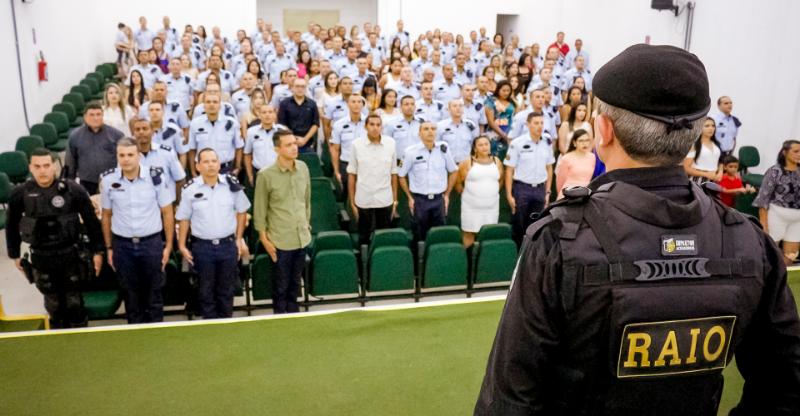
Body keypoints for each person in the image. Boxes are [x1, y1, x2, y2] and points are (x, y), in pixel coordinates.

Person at [476, 44, 800, 415]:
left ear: (604, 129)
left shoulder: (559, 239)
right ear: (694, 132)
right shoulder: (747, 241)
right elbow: (787, 386)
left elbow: (509, 398)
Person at [5, 148, 104, 328]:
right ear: (30, 168)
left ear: (54, 167)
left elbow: (91, 222)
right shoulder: (21, 193)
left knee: (74, 301)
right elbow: (11, 225)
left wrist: (98, 251)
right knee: (53, 303)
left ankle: (81, 337)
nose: (42, 170)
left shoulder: (73, 190)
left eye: (46, 165)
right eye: (37, 166)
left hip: (71, 256)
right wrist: (14, 255)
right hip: (42, 258)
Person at [100, 138, 174, 324]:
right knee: (130, 294)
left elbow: (167, 212)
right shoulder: (108, 180)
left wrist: (168, 245)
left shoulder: (156, 177)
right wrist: (109, 247)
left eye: (130, 155)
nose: (126, 159)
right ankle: (136, 334)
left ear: (139, 156)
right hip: (123, 245)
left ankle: (156, 332)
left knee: (154, 292)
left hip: (151, 243)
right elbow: (107, 215)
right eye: (122, 155)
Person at [176, 148, 250, 319]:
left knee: (226, 290)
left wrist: (239, 238)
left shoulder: (232, 184)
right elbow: (184, 219)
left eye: (214, 161)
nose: (211, 165)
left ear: (219, 164)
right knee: (205, 291)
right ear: (198, 166)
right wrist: (181, 245)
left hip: (227, 245)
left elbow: (242, 211)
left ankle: (225, 325)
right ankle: (210, 327)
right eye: (206, 162)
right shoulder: (190, 189)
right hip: (202, 248)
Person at [253, 129, 311, 314]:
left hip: (301, 237)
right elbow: (260, 210)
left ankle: (294, 321)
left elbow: (306, 200)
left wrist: (306, 222)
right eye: (288, 145)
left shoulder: (303, 168)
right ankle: (280, 321)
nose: (294, 148)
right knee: (280, 288)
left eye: (295, 143)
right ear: (277, 149)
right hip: (280, 241)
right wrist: (265, 240)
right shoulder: (266, 175)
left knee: (295, 286)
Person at [398, 120, 458, 242]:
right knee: (419, 236)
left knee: (439, 236)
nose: (430, 131)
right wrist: (410, 197)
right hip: (420, 200)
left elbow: (453, 171)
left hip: (438, 200)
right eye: (426, 129)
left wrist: (446, 195)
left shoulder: (443, 148)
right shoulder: (410, 152)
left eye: (433, 128)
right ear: (419, 133)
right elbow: (401, 175)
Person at [503, 112, 554, 244]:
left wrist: (547, 192)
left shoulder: (547, 142)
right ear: (528, 125)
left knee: (537, 226)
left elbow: (549, 168)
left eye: (541, 123)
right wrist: (509, 195)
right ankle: (518, 257)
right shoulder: (517, 143)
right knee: (519, 226)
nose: (539, 126)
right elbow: (509, 170)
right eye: (536, 123)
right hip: (522, 189)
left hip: (540, 189)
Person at [347, 115, 398, 245]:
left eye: (378, 125)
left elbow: (394, 173)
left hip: (385, 198)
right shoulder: (356, 145)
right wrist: (352, 203)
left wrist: (395, 201)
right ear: (365, 126)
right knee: (363, 237)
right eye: (372, 124)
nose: (375, 128)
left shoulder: (391, 143)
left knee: (384, 237)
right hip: (363, 198)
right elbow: (352, 174)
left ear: (382, 127)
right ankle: (364, 265)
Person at [754, 139, 800, 265]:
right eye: (796, 151)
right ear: (785, 152)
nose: (799, 154)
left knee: (791, 255)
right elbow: (763, 198)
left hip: (797, 219)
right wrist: (763, 223)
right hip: (777, 215)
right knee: (771, 254)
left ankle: (782, 281)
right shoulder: (775, 171)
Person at [64, 103, 125, 195]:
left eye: (98, 114)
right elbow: (71, 161)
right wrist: (70, 183)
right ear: (85, 117)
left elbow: (125, 158)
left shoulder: (116, 135)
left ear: (103, 115)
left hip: (111, 180)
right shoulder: (75, 136)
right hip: (87, 182)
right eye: (91, 115)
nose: (95, 118)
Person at [456, 136, 503, 247]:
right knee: (468, 234)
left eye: (486, 144)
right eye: (480, 145)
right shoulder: (467, 163)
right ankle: (468, 262)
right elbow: (458, 183)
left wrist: (490, 194)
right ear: (475, 148)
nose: (484, 147)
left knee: (488, 234)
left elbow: (500, 181)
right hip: (471, 208)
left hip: (491, 208)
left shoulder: (497, 162)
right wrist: (472, 197)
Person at [130, 116, 186, 201]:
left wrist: (177, 204)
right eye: (137, 129)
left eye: (145, 129)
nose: (141, 132)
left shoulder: (166, 153)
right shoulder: (127, 155)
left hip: (167, 205)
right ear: (133, 133)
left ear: (152, 132)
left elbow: (180, 180)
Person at [188, 94, 243, 176]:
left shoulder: (232, 123)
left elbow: (239, 146)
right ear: (204, 106)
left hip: (226, 169)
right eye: (208, 102)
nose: (211, 104)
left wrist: (237, 168)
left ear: (220, 105)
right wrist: (193, 171)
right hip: (203, 170)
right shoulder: (195, 124)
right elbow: (192, 149)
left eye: (215, 102)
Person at [331, 94, 367, 197]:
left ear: (362, 105)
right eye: (353, 102)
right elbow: (335, 150)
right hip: (347, 164)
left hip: (365, 164)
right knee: (348, 195)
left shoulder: (369, 123)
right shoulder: (339, 124)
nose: (356, 105)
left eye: (359, 102)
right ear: (348, 104)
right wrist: (336, 171)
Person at [245, 104, 285, 185]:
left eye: (270, 112)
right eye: (264, 112)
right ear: (259, 115)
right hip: (258, 173)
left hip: (278, 173)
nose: (267, 115)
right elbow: (247, 154)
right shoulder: (251, 132)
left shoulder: (282, 131)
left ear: (275, 114)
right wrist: (250, 175)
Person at [277, 78, 319, 153]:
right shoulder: (284, 103)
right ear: (292, 88)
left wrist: (304, 139)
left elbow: (315, 124)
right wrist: (294, 138)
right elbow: (281, 124)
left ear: (306, 88)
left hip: (308, 144)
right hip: (289, 143)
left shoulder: (312, 104)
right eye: (297, 86)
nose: (300, 89)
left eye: (303, 86)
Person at [554, 128, 595, 199]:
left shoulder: (592, 157)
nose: (584, 143)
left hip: (585, 195)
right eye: (581, 141)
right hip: (568, 194)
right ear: (574, 143)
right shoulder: (567, 158)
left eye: (587, 140)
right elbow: (560, 181)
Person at [436, 99, 479, 164]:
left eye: (460, 106)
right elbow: (437, 145)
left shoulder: (470, 125)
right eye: (454, 106)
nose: (458, 108)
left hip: (466, 163)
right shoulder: (440, 126)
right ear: (449, 109)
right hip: (447, 164)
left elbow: (475, 144)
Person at [383, 95, 423, 164]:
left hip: (418, 163)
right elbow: (386, 144)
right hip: (399, 163)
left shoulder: (422, 123)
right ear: (400, 107)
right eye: (406, 104)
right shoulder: (392, 124)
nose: (410, 106)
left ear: (415, 107)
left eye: (412, 104)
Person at [683, 117, 723, 184]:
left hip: (714, 180)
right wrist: (706, 174)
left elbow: (721, 160)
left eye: (713, 126)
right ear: (700, 128)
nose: (711, 128)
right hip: (698, 180)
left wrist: (720, 172)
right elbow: (686, 168)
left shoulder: (717, 144)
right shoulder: (694, 145)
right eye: (707, 126)